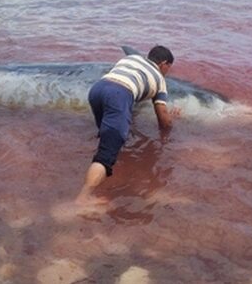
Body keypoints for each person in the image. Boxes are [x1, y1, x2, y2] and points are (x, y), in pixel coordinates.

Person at [75, 45, 178, 205]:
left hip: (97, 89)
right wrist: (170, 130)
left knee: (107, 135)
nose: (167, 72)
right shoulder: (160, 80)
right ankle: (83, 198)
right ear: (163, 63)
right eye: (168, 67)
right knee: (106, 155)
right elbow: (162, 117)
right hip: (119, 95)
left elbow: (128, 82)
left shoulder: (131, 59)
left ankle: (106, 152)